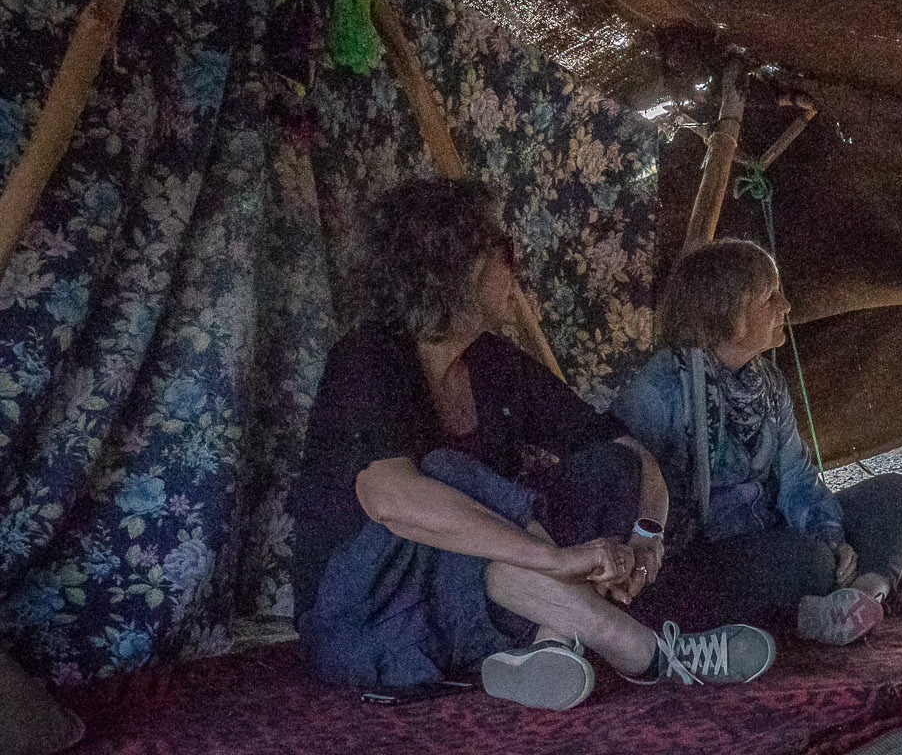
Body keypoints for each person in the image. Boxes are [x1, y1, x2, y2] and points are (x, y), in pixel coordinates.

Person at [288, 179, 774, 711]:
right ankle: (645, 652)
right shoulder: (368, 359)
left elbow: (628, 451)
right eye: (505, 252)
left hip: (465, 606)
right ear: (460, 267)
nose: (516, 271)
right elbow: (390, 499)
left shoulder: (494, 362)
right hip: (367, 617)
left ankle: (548, 647)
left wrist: (647, 536)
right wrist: (553, 556)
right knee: (445, 472)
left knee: (606, 469)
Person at [611, 239, 902, 645]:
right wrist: (816, 550)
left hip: (778, 535)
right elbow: (632, 504)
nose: (785, 306)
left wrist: (831, 536)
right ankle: (854, 597)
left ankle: (862, 596)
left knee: (896, 494)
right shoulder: (659, 389)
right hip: (705, 559)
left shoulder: (767, 382)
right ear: (727, 309)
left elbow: (797, 476)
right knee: (800, 560)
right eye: (770, 296)